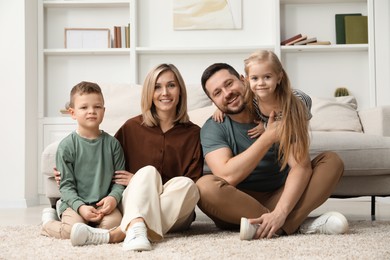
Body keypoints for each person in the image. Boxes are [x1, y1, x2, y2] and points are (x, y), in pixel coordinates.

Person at [196, 50, 348, 241]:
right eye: (217, 93)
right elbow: (227, 175)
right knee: (204, 187)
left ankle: (275, 224)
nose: (227, 93)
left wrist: (280, 212)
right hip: (237, 205)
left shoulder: (279, 111)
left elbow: (300, 166)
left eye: (229, 83)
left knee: (332, 162)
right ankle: (297, 223)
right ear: (213, 101)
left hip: (283, 196)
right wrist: (268, 138)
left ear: (244, 80)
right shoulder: (213, 127)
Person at [66, 63, 203, 251]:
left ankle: (120, 233)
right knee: (147, 172)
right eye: (157, 86)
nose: (165, 92)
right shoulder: (132, 127)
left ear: (180, 91)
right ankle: (135, 226)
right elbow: (101, 156)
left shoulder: (194, 133)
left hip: (175, 208)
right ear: (149, 92)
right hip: (134, 203)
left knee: (188, 186)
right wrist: (70, 168)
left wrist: (145, 182)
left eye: (171, 85)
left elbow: (194, 178)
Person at [41, 81, 126, 239]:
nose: (91, 111)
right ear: (72, 113)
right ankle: (48, 222)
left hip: (103, 204)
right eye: (84, 107)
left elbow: (119, 181)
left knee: (114, 226)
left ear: (103, 111)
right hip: (75, 204)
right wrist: (80, 207)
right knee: (71, 230)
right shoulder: (66, 147)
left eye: (97, 107)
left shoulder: (113, 144)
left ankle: (91, 233)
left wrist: (113, 199)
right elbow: (66, 186)